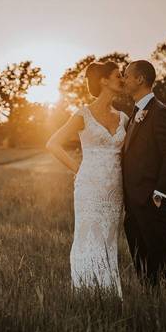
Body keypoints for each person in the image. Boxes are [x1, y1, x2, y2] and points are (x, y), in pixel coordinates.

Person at [46, 61, 127, 296]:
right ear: (103, 80)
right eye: (117, 75)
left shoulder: (123, 118)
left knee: (108, 240)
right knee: (88, 237)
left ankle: (109, 294)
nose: (122, 78)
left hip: (115, 189)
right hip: (89, 187)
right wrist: (78, 169)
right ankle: (85, 293)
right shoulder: (83, 115)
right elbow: (52, 144)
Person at [119, 60, 166, 286]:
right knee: (142, 260)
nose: (123, 79)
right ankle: (150, 300)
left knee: (163, 254)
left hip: (152, 201)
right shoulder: (134, 114)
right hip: (133, 204)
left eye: (126, 75)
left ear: (140, 79)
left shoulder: (160, 113)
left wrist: (159, 195)